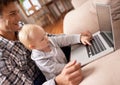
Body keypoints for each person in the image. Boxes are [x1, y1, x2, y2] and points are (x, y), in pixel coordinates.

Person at [0, 0, 83, 85]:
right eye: (12, 14)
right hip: (43, 80)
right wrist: (58, 81)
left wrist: (78, 37)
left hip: (51, 60)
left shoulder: (19, 26)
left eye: (18, 12)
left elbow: (49, 38)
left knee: (81, 44)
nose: (19, 18)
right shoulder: (2, 57)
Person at [18, 24, 92, 80]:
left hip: (66, 64)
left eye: (45, 35)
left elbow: (64, 39)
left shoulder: (49, 41)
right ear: (33, 47)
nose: (47, 38)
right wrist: (72, 66)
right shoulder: (38, 58)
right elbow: (54, 68)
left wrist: (79, 37)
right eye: (42, 39)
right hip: (59, 76)